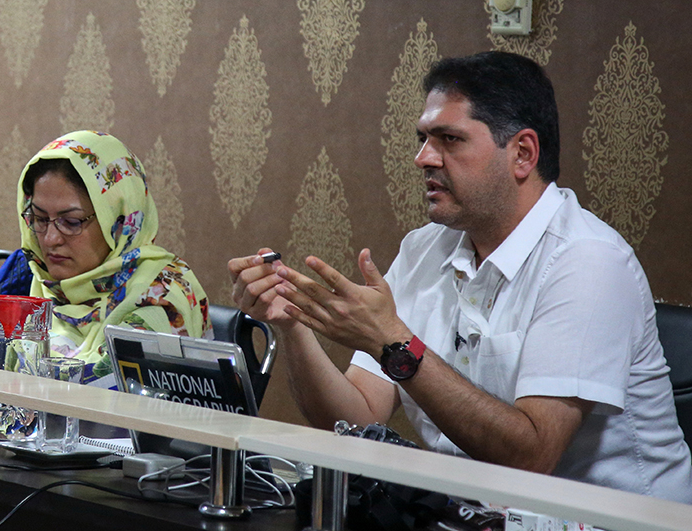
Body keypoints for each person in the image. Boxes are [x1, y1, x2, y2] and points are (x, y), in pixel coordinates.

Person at [229, 51, 692, 501]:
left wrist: (394, 344)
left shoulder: (588, 261)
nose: (424, 158)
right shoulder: (424, 248)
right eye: (423, 139)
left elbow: (530, 459)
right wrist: (292, 326)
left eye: (449, 139)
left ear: (523, 153)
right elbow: (356, 418)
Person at [0, 130, 209, 381]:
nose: (50, 239)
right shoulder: (32, 271)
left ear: (121, 221)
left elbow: (107, 395)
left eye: (72, 222)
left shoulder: (162, 293)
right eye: (39, 218)